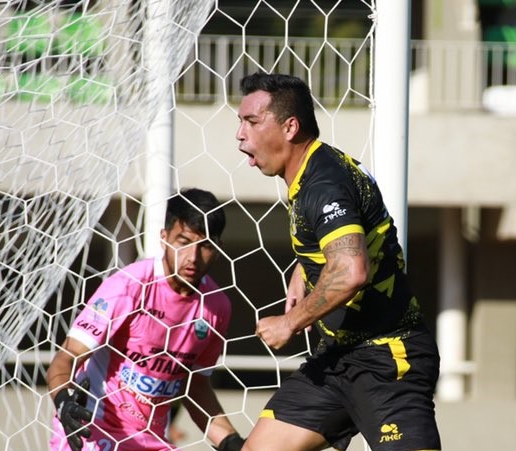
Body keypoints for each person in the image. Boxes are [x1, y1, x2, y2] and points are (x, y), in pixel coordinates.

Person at [235, 72, 442, 451]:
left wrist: (289, 322)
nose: (240, 135)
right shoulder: (316, 167)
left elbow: (350, 270)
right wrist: (305, 269)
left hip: (388, 360)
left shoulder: (322, 185)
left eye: (251, 121)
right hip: (336, 361)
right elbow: (346, 241)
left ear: (290, 126)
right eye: (240, 122)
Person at [47, 188, 246, 451]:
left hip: (149, 441)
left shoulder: (217, 307)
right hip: (92, 432)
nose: (193, 258)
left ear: (218, 249)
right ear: (164, 238)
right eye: (183, 242)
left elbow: (194, 386)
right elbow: (66, 358)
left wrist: (232, 442)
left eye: (206, 246)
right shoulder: (129, 286)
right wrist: (64, 402)